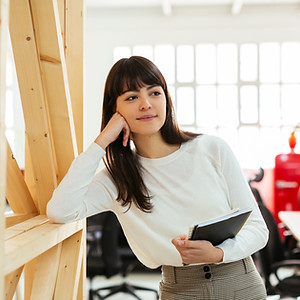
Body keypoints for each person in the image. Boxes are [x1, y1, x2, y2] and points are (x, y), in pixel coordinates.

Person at [47, 56, 269, 299]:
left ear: (165, 98)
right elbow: (61, 210)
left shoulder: (211, 149)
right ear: (115, 110)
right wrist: (102, 141)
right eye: (131, 97)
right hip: (181, 289)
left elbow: (258, 229)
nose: (145, 104)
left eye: (154, 92)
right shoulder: (117, 179)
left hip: (240, 282)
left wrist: (219, 253)